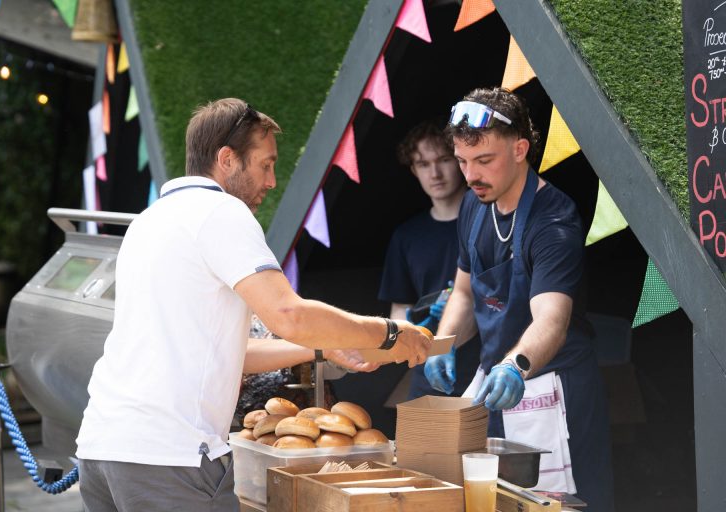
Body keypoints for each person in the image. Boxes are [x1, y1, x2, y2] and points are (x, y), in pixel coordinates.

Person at [75, 98, 431, 512]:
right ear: (227, 159)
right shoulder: (221, 211)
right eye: (265, 164)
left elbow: (230, 352)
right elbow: (289, 314)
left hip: (102, 449)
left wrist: (320, 347)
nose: (272, 181)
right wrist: (388, 332)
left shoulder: (149, 221)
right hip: (170, 458)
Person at [426, 88, 614, 511]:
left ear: (520, 149)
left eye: (484, 160)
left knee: (562, 505)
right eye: (462, 161)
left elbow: (552, 319)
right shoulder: (473, 205)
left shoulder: (554, 222)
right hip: (494, 386)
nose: (470, 175)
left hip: (554, 391)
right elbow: (463, 291)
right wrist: (443, 343)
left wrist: (516, 365)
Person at [378, 119, 479, 400]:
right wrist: (410, 329)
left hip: (487, 368)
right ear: (413, 170)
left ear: (461, 161)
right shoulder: (406, 236)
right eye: (423, 164)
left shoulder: (489, 222)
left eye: (444, 160)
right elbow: (400, 308)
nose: (435, 173)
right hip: (429, 371)